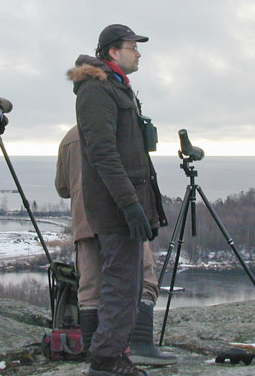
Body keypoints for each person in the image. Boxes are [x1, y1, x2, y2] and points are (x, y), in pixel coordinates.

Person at [67, 24, 168, 375]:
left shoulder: (117, 88)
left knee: (130, 284)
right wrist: (129, 204)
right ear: (113, 52)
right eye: (132, 47)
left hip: (125, 204)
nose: (138, 53)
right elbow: (103, 154)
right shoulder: (97, 90)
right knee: (121, 285)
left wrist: (145, 206)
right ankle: (106, 360)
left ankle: (112, 354)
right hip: (115, 208)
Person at [55, 125, 177, 366]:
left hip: (84, 221)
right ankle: (141, 344)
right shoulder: (121, 130)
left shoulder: (68, 138)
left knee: (90, 288)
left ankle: (94, 352)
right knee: (142, 277)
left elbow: (62, 188)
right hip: (121, 218)